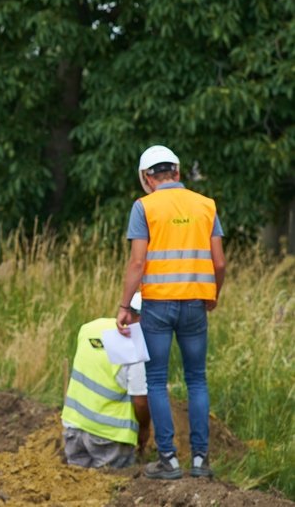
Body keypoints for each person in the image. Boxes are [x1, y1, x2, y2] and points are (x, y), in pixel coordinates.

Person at [117, 145, 226, 480]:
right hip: (196, 304)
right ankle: (200, 462)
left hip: (158, 306)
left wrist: (124, 305)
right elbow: (219, 261)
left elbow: (137, 263)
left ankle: (168, 460)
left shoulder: (143, 207)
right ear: (177, 173)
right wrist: (213, 295)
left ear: (147, 178)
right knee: (196, 379)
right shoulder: (206, 205)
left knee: (155, 380)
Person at [62, 294, 150, 469]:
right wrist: (144, 430)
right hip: (109, 436)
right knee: (110, 491)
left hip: (73, 428)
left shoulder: (90, 328)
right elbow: (140, 402)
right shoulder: (134, 346)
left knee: (74, 485)